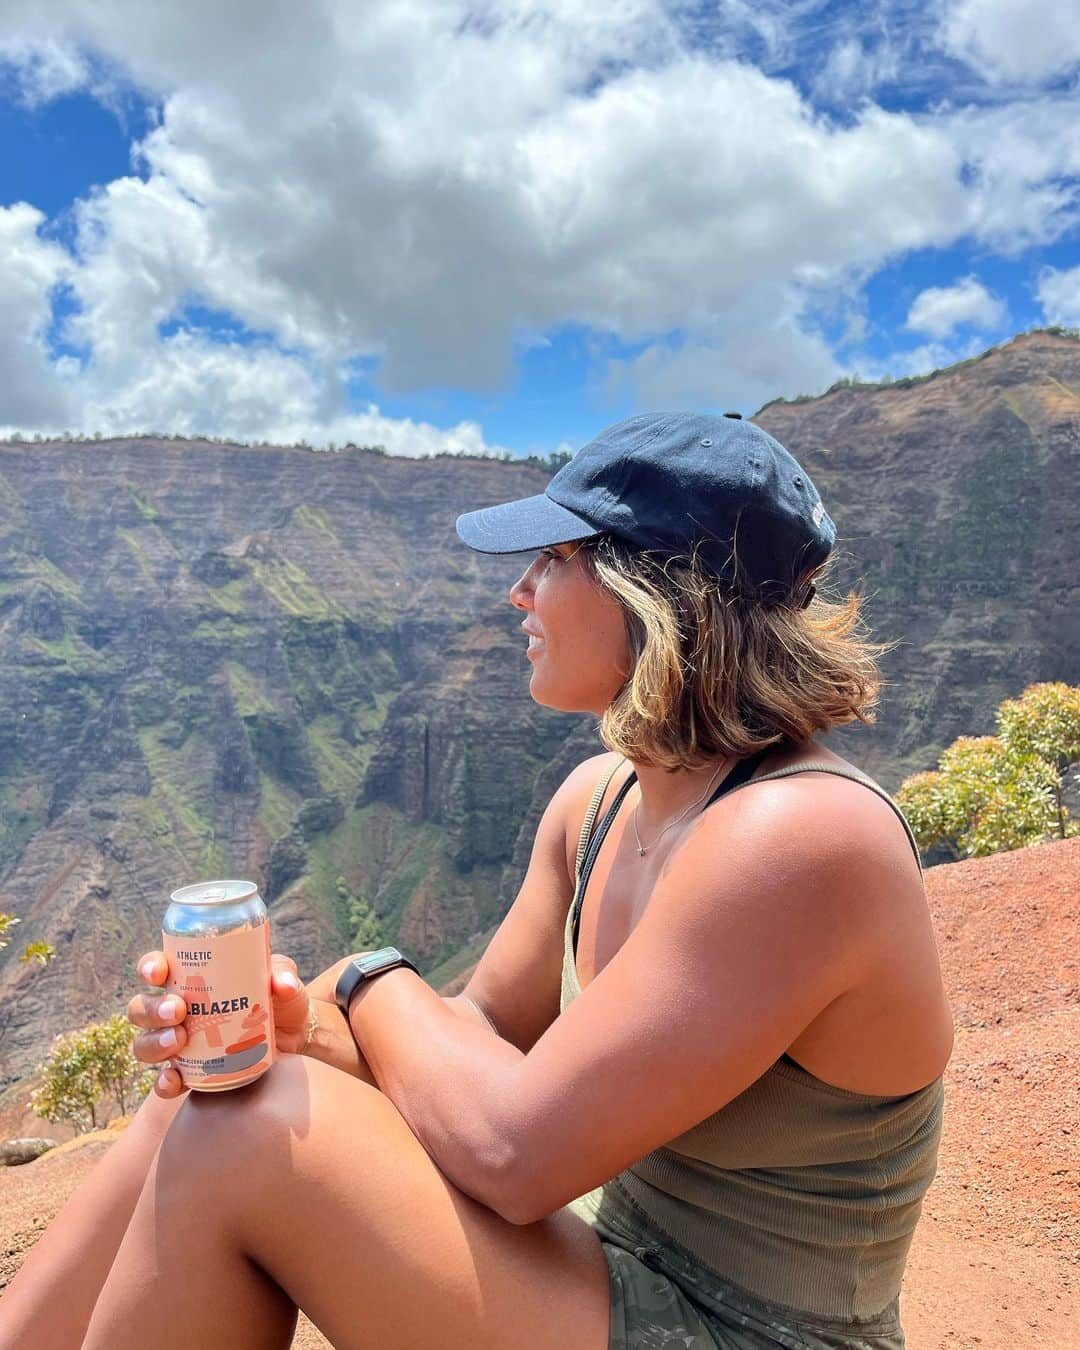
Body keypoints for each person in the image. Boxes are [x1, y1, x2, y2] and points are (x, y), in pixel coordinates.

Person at [0, 411, 953, 1350]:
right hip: (612, 1276)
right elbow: (483, 1028)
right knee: (219, 1083)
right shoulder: (603, 799)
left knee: (241, 1133)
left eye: (552, 561)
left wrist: (362, 979)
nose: (519, 594)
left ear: (651, 591)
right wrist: (299, 1032)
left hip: (752, 1331)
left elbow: (513, 1155)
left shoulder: (804, 838)